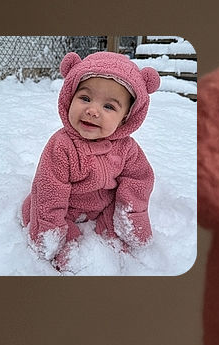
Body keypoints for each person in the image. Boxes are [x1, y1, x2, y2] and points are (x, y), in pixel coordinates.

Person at [21, 51, 160, 272]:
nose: (93, 111)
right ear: (69, 98)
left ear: (126, 117)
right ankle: (68, 245)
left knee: (115, 221)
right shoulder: (62, 146)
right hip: (67, 206)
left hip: (103, 204)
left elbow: (138, 180)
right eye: (85, 98)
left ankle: (113, 237)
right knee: (36, 208)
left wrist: (132, 216)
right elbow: (50, 191)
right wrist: (50, 233)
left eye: (109, 107)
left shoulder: (126, 148)